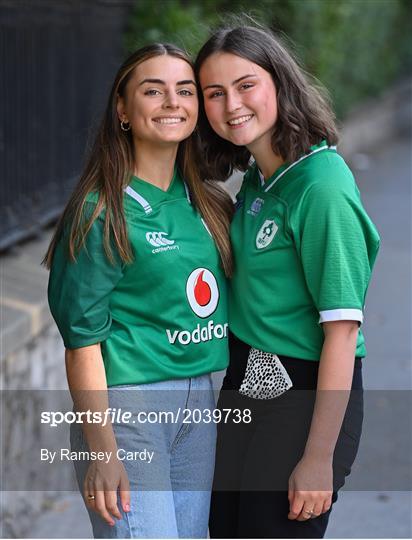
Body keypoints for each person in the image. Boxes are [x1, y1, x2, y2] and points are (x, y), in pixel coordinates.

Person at [195, 24, 380, 538]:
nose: (231, 104)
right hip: (247, 381)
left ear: (279, 82)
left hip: (303, 396)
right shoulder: (258, 174)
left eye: (245, 84)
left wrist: (319, 457)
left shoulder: (321, 187)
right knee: (226, 529)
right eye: (214, 92)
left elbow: (342, 333)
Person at [44, 43, 233, 539]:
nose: (172, 101)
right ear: (124, 110)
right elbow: (81, 340)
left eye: (184, 90)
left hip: (199, 403)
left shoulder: (207, 202)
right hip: (128, 408)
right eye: (154, 90)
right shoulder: (100, 209)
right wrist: (102, 452)